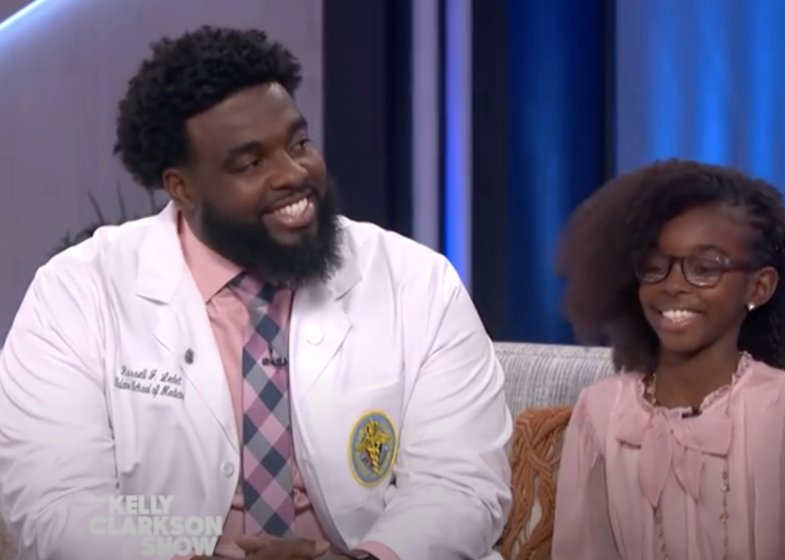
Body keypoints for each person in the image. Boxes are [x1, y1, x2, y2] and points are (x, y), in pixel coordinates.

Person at [0, 26, 511, 560]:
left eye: (299, 143)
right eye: (251, 163)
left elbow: (461, 483)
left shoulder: (416, 281)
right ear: (182, 187)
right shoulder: (77, 294)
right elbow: (58, 504)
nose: (294, 174)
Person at [551, 160, 785, 560]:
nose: (673, 285)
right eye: (655, 267)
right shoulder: (600, 410)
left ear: (758, 287)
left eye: (704, 269)